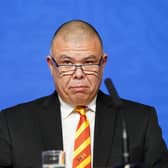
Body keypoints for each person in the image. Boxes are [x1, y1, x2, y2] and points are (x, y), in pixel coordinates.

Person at [0, 19, 168, 168]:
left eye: (89, 62)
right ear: (51, 65)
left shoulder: (139, 121)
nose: (78, 73)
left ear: (103, 64)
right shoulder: (11, 124)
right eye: (67, 63)